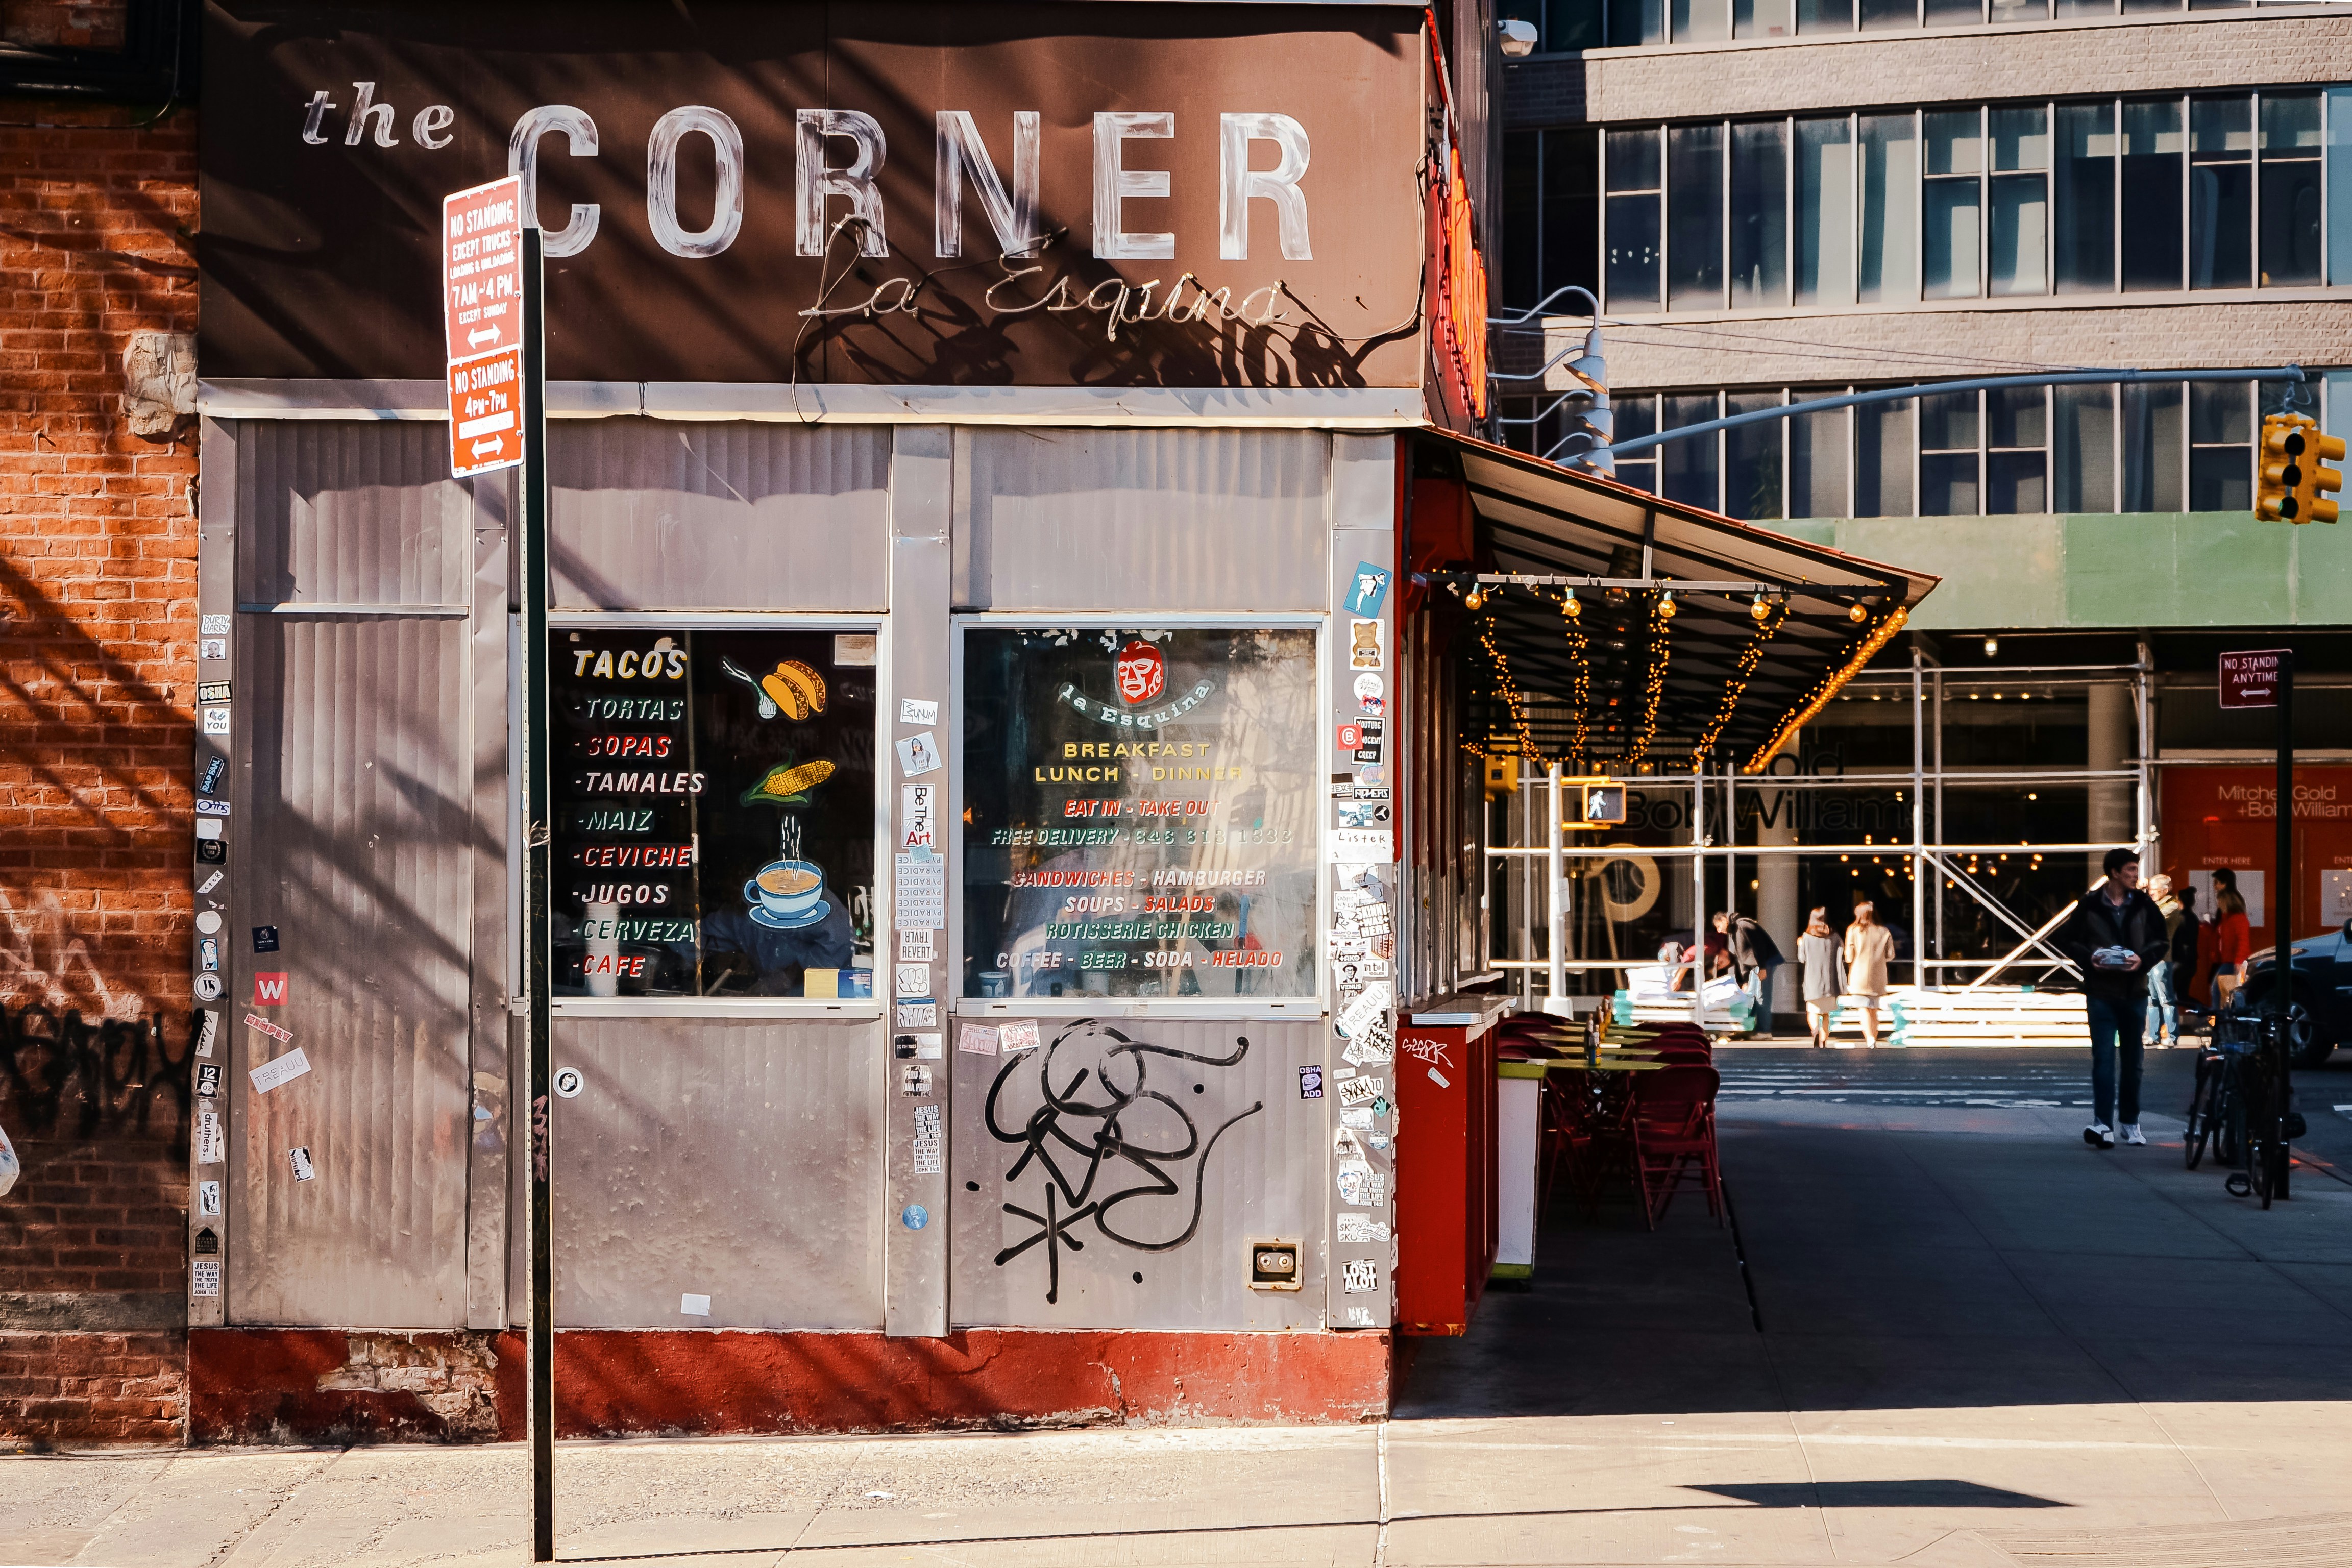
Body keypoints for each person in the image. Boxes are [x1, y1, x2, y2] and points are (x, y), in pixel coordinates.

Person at [2056, 848, 2172, 1149]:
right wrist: (2090, 958)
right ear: (2115, 873)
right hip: (2101, 993)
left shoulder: (2144, 903)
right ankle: (2103, 1124)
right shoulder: (2090, 904)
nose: (2136, 875)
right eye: (2131, 869)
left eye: (2136, 869)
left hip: (2134, 993)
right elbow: (2067, 938)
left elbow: (2161, 940)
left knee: (2134, 1063)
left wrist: (2142, 960)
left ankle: (2131, 1123)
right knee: (2104, 1061)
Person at [1714, 911, 1784, 1036]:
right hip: (1759, 965)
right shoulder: (1736, 929)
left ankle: (1764, 1032)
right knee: (1754, 996)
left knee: (1762, 996)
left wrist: (1763, 967)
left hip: (1764, 963)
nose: (1719, 931)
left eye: (1719, 926)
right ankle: (1753, 1029)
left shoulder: (1743, 924)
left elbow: (1758, 946)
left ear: (1724, 920)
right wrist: (1746, 980)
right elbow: (1743, 956)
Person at [1843, 901, 1895, 1046]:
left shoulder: (1853, 930)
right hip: (1878, 976)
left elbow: (1849, 957)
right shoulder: (1884, 931)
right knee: (1873, 1010)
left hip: (1859, 976)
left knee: (1863, 1008)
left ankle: (1870, 1038)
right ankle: (1873, 1037)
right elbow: (1890, 955)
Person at [1797, 907, 1845, 1048]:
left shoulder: (1807, 937)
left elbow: (1802, 958)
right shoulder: (1835, 937)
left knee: (1812, 1011)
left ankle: (1815, 1031)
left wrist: (1800, 945)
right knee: (1825, 1014)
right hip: (1830, 982)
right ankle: (1823, 1040)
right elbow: (1842, 951)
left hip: (1812, 981)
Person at [2144, 874, 2182, 1049]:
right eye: (2149, 890)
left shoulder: (2172, 907)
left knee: (2166, 999)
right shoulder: (2155, 905)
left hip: (2162, 959)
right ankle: (2153, 1035)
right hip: (2150, 959)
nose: (2150, 893)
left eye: (2154, 890)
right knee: (2151, 1000)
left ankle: (2172, 1036)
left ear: (2165, 891)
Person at [2210, 886, 2253, 1013]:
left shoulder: (2237, 919)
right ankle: (2224, 1016)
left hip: (2234, 961)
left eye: (2219, 900)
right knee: (2224, 990)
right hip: (2230, 961)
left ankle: (2220, 1016)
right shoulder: (2228, 918)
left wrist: (2239, 961)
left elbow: (2243, 941)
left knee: (2218, 989)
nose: (2218, 903)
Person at [2170, 885, 2204, 1033]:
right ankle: (2203, 1011)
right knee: (2182, 995)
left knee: (2171, 994)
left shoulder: (2180, 917)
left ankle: (2171, 1025)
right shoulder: (2193, 917)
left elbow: (2176, 939)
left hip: (2180, 962)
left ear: (2180, 901)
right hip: (2190, 962)